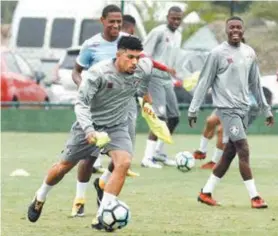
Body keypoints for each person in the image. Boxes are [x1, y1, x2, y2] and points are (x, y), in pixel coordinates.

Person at [27, 35, 153, 224]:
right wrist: (88, 130)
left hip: (117, 126)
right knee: (63, 168)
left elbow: (143, 87)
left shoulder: (143, 69)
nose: (135, 62)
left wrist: (147, 102)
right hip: (89, 127)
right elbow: (81, 103)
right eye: (130, 57)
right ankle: (40, 196)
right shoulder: (98, 73)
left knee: (124, 162)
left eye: (138, 57)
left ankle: (104, 214)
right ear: (118, 54)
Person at [188, 16, 274, 208]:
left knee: (229, 154)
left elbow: (256, 84)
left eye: (238, 27)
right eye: (231, 27)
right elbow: (204, 82)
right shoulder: (217, 53)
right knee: (243, 148)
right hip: (227, 111)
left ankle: (206, 193)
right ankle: (255, 197)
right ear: (226, 31)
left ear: (243, 31)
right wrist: (193, 109)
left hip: (244, 110)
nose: (235, 30)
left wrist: (266, 109)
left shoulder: (249, 53)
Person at [93, 14, 177, 208]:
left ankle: (103, 184)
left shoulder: (133, 50)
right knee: (101, 140)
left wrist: (147, 90)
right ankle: (97, 168)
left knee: (125, 150)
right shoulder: (107, 46)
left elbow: (146, 62)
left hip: (128, 102)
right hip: (108, 101)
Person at [141, 6, 183, 168]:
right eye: (173, 18)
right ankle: (147, 158)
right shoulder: (158, 32)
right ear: (167, 17)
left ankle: (158, 153)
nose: (176, 21)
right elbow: (145, 56)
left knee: (174, 118)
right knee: (160, 118)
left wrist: (176, 75)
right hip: (155, 77)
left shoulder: (178, 35)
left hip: (167, 80)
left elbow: (171, 58)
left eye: (179, 19)